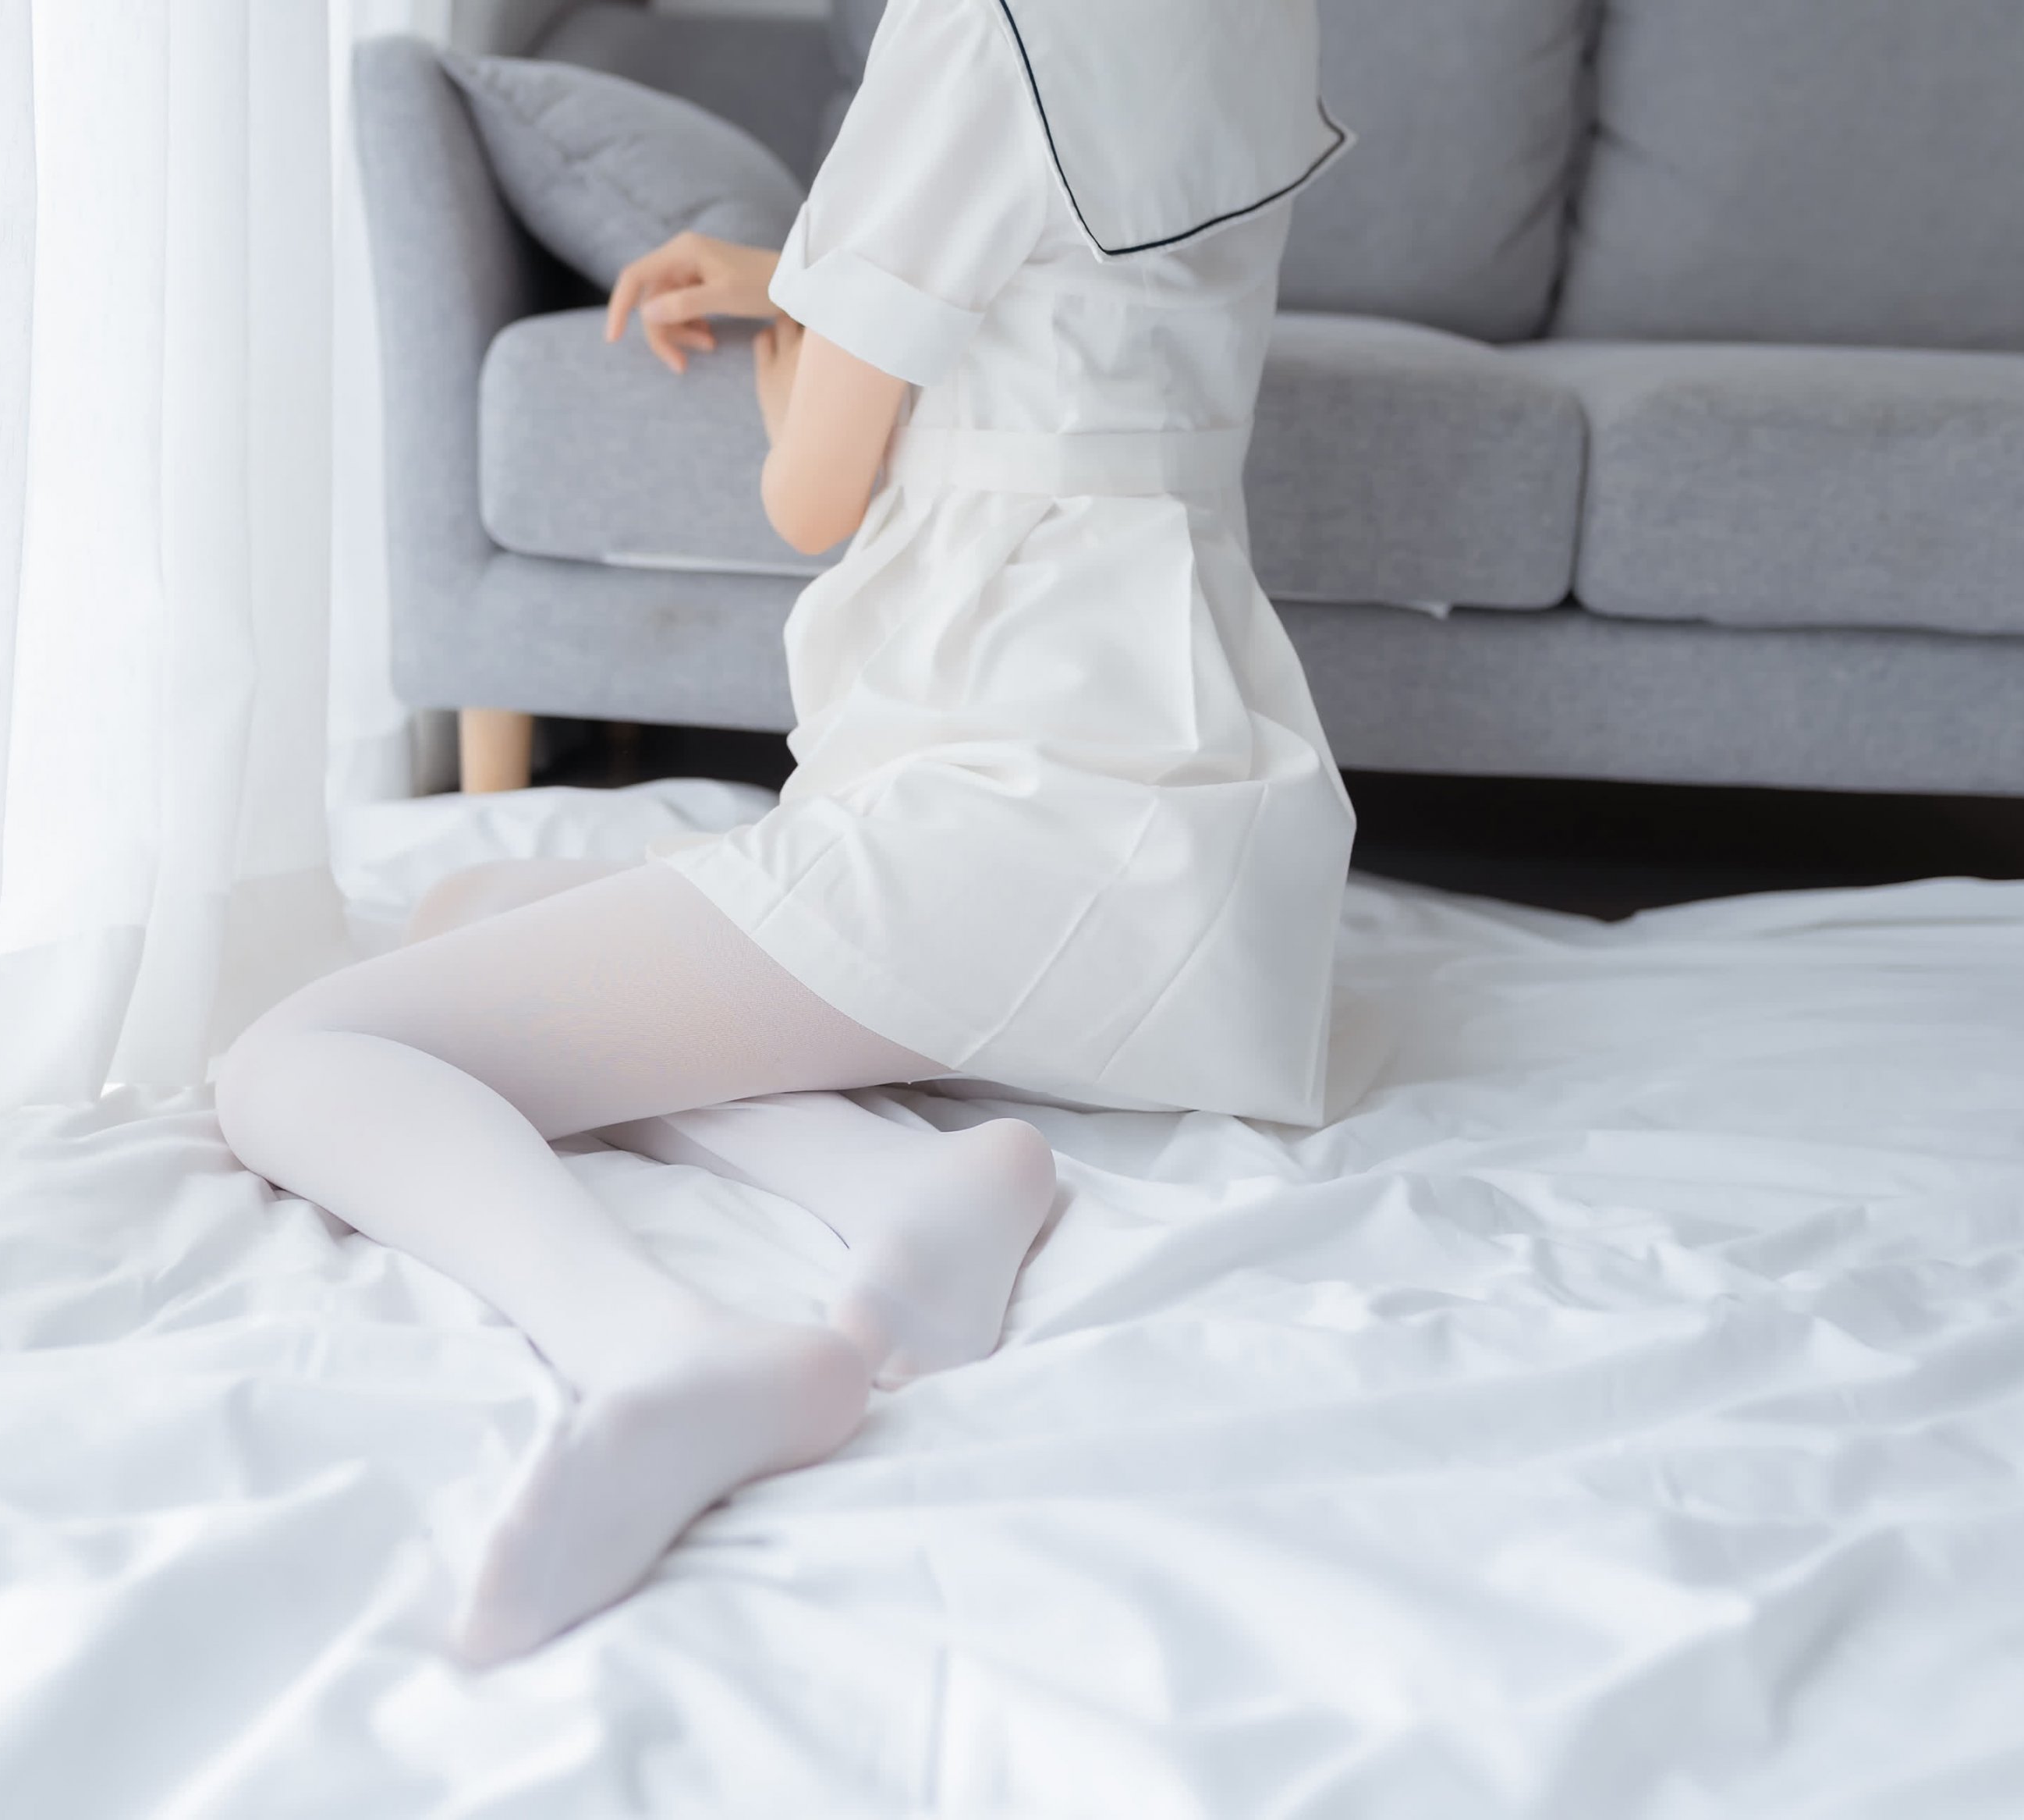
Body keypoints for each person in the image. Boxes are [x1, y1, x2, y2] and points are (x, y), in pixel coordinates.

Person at [215, 0, 1356, 1665]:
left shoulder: (978, 27)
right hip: (1183, 790)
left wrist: (794, 332)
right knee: (465, 904)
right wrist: (797, 281)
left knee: (294, 1061)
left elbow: (810, 491)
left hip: (1020, 818)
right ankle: (914, 1179)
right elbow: (1083, 304)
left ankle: (654, 1345)